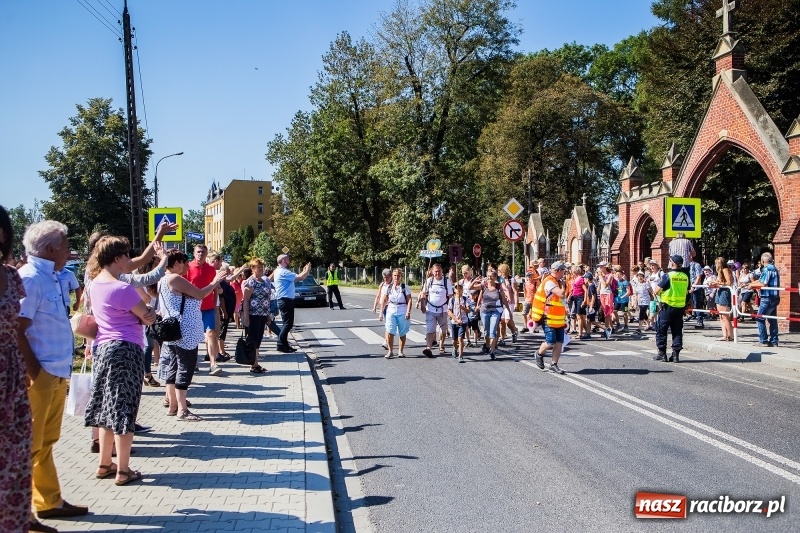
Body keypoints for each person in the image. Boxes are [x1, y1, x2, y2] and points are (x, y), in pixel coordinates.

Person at [17, 221, 90, 525]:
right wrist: (35, 371)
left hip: (56, 371)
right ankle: (22, 513)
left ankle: (48, 502)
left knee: (46, 441)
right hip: (41, 374)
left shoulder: (53, 277)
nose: (69, 251)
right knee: (30, 445)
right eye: (66, 245)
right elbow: (16, 328)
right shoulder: (30, 279)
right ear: (50, 249)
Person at [83, 236, 157, 487]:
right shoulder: (122, 288)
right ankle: (123, 470)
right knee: (125, 408)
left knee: (107, 407)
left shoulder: (95, 283)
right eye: (126, 254)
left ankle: (105, 463)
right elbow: (146, 315)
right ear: (117, 258)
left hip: (103, 348)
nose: (129, 258)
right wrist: (150, 313)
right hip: (125, 349)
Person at [0, 206, 40, 533]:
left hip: (11, 376)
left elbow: (17, 328)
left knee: (16, 456)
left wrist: (33, 370)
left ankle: (18, 521)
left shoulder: (12, 276)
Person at [186, 245, 224, 374]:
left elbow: (215, 288)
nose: (200, 254)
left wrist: (215, 306)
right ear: (193, 253)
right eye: (198, 252)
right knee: (193, 336)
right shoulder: (188, 267)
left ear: (206, 254)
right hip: (192, 308)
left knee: (211, 333)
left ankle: (213, 364)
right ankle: (193, 362)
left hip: (208, 307)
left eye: (203, 252)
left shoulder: (211, 269)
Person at [532, 261, 568, 374]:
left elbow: (561, 300)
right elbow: (561, 294)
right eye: (563, 271)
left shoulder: (556, 281)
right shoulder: (550, 282)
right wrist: (563, 285)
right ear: (558, 271)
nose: (564, 273)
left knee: (559, 341)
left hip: (558, 317)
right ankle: (539, 353)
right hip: (548, 317)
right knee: (551, 341)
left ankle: (554, 364)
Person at [652, 255, 690, 363]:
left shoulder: (668, 276)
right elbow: (687, 292)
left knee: (661, 330)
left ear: (672, 263)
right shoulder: (685, 276)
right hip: (680, 307)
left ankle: (662, 354)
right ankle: (675, 355)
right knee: (677, 331)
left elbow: (657, 290)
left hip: (667, 307)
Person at [272, 254, 312, 353]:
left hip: (284, 300)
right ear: (283, 261)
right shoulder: (283, 272)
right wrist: (307, 270)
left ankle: (284, 345)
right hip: (285, 300)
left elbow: (298, 277)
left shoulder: (279, 271)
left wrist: (304, 271)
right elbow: (300, 277)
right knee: (288, 324)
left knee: (287, 324)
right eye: (287, 259)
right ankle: (281, 344)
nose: (289, 261)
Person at [241, 258, 275, 372]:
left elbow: (267, 299)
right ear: (252, 269)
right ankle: (253, 364)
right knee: (253, 339)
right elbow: (246, 300)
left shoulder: (265, 281)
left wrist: (268, 315)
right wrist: (246, 317)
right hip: (253, 314)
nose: (261, 269)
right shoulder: (250, 282)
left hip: (263, 314)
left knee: (259, 339)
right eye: (258, 267)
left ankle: (255, 363)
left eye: (262, 267)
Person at [747, 252, 780, 347]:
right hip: (775, 297)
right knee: (772, 319)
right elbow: (761, 280)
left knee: (759, 318)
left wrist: (751, 286)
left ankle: (763, 340)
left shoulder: (767, 269)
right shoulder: (774, 268)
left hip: (767, 297)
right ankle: (774, 340)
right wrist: (751, 284)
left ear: (762, 261)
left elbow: (763, 283)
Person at [419, 263, 453, 357]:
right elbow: (423, 293)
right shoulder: (429, 281)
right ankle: (428, 348)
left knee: (443, 330)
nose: (437, 273)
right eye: (435, 271)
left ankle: (441, 345)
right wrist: (422, 304)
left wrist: (451, 309)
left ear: (442, 271)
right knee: (430, 330)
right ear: (432, 272)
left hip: (443, 310)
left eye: (439, 271)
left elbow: (450, 296)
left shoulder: (446, 281)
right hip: (430, 309)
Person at [379, 269, 412, 359]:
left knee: (402, 332)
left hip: (402, 310)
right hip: (391, 310)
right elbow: (384, 300)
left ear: (401, 277)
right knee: (390, 331)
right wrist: (381, 313)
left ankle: (400, 351)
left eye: (398, 275)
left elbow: (409, 300)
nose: (396, 277)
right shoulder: (388, 287)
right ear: (392, 276)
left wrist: (408, 312)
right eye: (394, 275)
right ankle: (390, 351)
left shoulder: (405, 287)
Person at [477, 267, 508, 359]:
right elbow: (471, 288)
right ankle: (487, 345)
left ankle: (492, 350)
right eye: (488, 276)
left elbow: (504, 299)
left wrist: (508, 310)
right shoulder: (484, 285)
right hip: (484, 311)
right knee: (486, 331)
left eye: (491, 276)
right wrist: (475, 280)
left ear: (495, 277)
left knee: (493, 331)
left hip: (495, 311)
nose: (489, 278)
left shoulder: (499, 287)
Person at [711, 257, 734, 341]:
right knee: (721, 315)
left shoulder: (725, 270)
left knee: (725, 316)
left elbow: (729, 282)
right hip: (720, 291)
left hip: (724, 292)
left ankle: (730, 335)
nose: (715, 265)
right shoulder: (720, 272)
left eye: (716, 263)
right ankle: (725, 335)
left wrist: (718, 283)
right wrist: (713, 283)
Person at [447, 282, 470, 363]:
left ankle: (461, 356)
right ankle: (455, 348)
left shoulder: (465, 299)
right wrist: (456, 320)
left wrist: (463, 308)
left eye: (460, 288)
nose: (458, 290)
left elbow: (468, 310)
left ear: (462, 290)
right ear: (454, 290)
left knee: (460, 339)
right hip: (454, 322)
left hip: (463, 321)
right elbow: (449, 312)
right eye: (457, 289)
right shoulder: (452, 300)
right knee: (454, 340)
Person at [496, 263, 519, 345]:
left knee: (507, 320)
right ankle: (502, 338)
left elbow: (515, 292)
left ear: (503, 271)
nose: (498, 272)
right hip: (501, 302)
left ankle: (514, 331)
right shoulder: (498, 280)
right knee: (501, 321)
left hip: (510, 303)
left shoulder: (511, 280)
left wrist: (516, 303)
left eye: (499, 270)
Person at [597, 261, 616, 339]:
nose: (600, 268)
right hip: (602, 294)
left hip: (608, 294)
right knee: (604, 312)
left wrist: (600, 277)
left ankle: (607, 330)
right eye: (599, 266)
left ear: (605, 267)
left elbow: (605, 285)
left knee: (607, 313)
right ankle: (610, 328)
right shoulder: (601, 275)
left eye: (601, 266)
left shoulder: (610, 275)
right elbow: (599, 286)